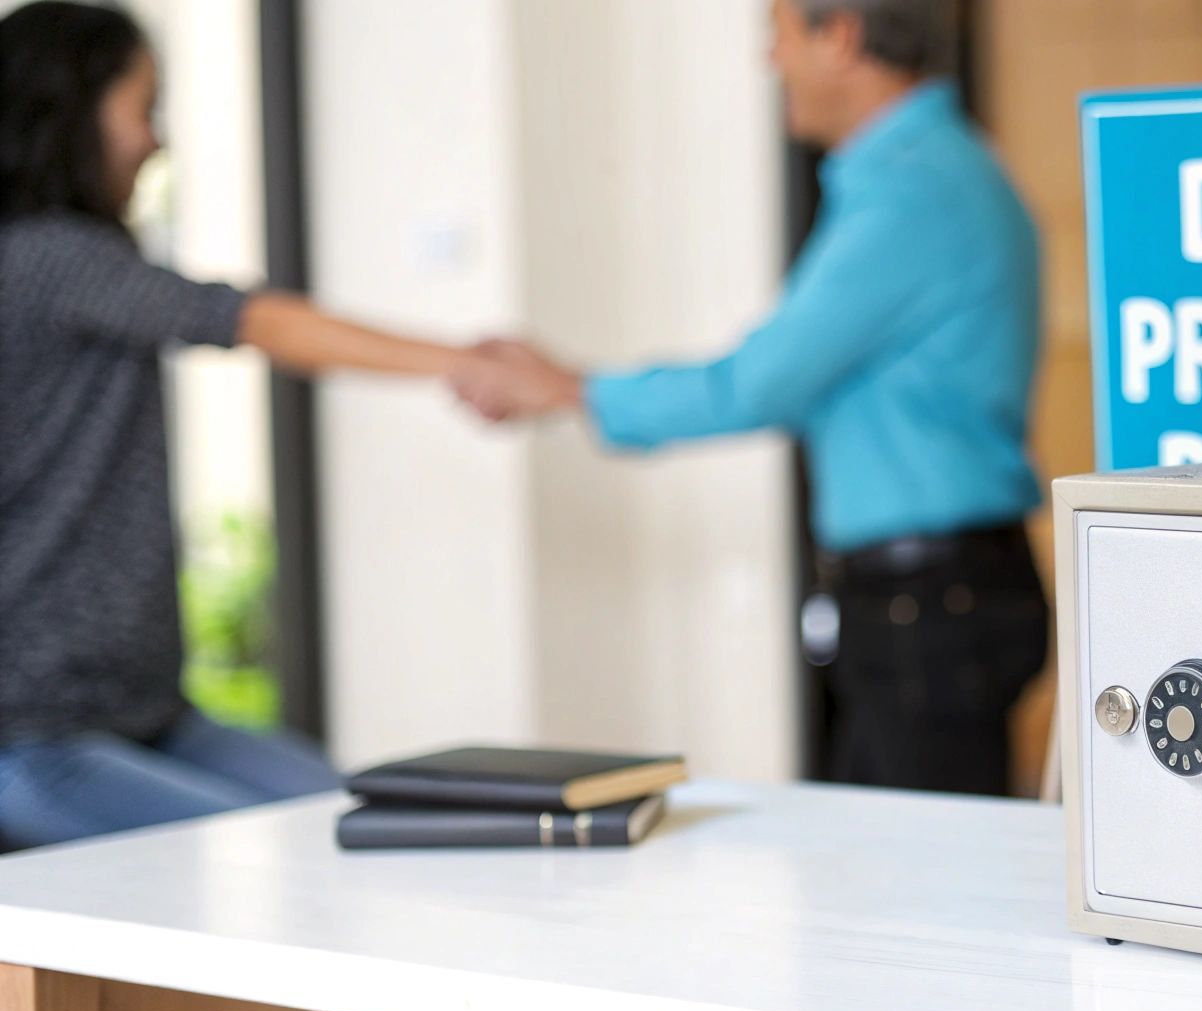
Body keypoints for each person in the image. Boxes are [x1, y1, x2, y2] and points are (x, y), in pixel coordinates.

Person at [450, 0, 1048, 796]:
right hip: (941, 595)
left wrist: (563, 390)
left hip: (932, 605)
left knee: (921, 891)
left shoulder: (913, 192)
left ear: (840, 38)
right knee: (895, 875)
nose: (770, 62)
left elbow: (760, 383)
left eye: (780, 36)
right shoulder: (942, 169)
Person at [0, 1, 484, 849]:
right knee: (287, 856)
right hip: (34, 738)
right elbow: (251, 320)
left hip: (146, 712)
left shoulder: (78, 259)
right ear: (70, 114)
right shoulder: (44, 258)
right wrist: (464, 364)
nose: (156, 142)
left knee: (350, 814)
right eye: (141, 111)